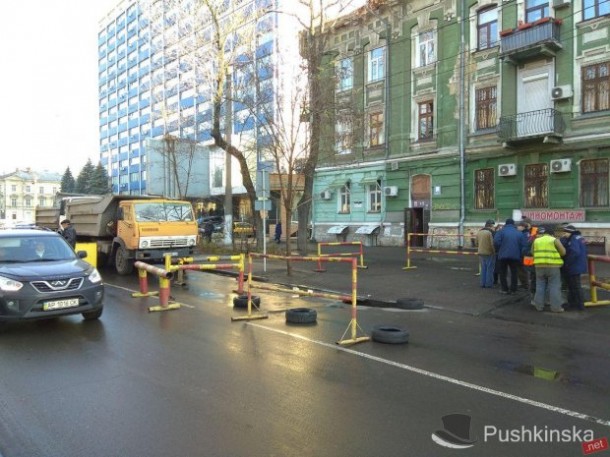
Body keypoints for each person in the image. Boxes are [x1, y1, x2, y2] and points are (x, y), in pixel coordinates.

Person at [531, 225, 566, 313]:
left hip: (539, 266)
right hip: (553, 266)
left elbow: (532, 252)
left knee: (540, 286)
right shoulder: (554, 240)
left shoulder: (536, 240)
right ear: (552, 233)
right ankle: (556, 308)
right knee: (554, 286)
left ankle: (539, 306)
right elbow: (563, 252)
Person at [493, 218, 526, 295]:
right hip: (515, 256)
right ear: (513, 224)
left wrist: (501, 248)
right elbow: (523, 245)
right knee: (514, 273)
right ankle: (513, 290)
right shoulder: (519, 233)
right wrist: (519, 252)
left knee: (503, 272)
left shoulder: (501, 232)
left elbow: (496, 242)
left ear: (506, 223)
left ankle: (504, 289)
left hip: (503, 255)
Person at [559, 224, 588, 311]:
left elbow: (574, 252)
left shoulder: (574, 239)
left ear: (569, 232)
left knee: (575, 285)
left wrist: (567, 262)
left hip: (574, 265)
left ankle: (580, 305)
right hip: (579, 264)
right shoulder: (579, 238)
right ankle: (574, 303)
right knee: (573, 285)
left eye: (565, 232)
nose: (564, 234)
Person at [476, 220, 496, 288]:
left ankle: (482, 283)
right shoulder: (490, 233)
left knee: (483, 268)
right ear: (491, 226)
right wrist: (494, 252)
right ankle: (488, 284)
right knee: (489, 269)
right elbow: (492, 244)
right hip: (489, 253)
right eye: (493, 226)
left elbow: (476, 243)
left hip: (481, 252)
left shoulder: (479, 232)